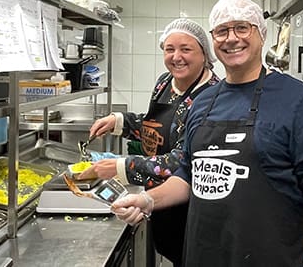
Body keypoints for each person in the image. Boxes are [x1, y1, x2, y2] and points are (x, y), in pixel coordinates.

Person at [111, 0, 303, 267]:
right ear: (213, 40)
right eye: (222, 31)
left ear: (261, 34)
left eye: (242, 27)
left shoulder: (301, 101)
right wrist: (147, 200)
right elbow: (188, 171)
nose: (232, 38)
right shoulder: (203, 102)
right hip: (202, 255)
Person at [80, 18, 220, 267]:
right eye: (169, 49)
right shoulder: (165, 82)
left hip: (192, 206)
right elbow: (156, 127)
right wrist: (120, 121)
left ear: (204, 55)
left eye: (186, 49)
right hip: (158, 200)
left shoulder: (213, 96)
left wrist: (121, 167)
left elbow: (183, 160)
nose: (177, 57)